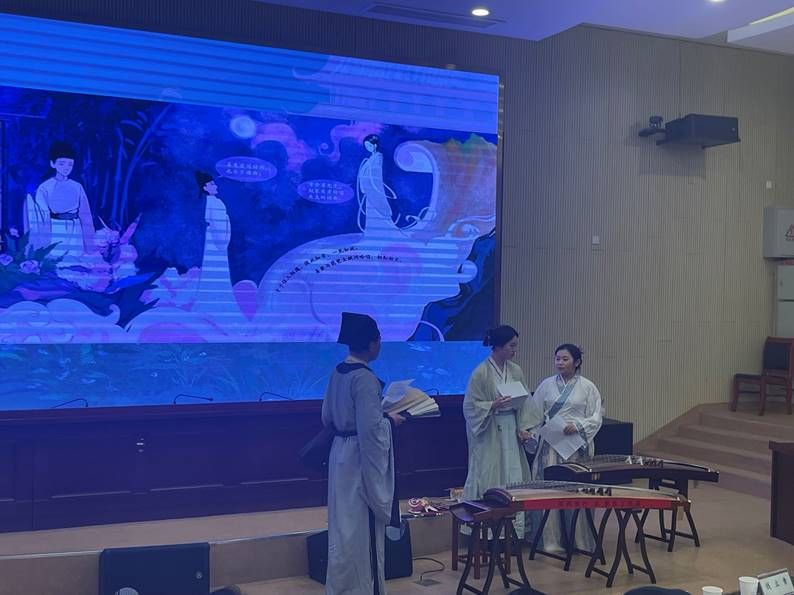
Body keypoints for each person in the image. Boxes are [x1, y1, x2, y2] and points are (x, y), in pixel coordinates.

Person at [322, 312, 404, 595]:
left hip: (340, 454)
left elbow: (326, 416)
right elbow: (371, 432)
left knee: (343, 528)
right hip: (359, 459)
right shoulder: (365, 378)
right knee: (361, 528)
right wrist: (389, 421)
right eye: (379, 339)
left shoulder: (338, 372)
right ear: (371, 344)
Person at [462, 324, 542, 538]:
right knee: (491, 475)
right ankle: (489, 532)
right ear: (498, 346)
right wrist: (492, 405)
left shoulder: (515, 370)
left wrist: (523, 427)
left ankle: (514, 532)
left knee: (513, 473)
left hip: (511, 429)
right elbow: (470, 406)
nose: (514, 350)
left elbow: (525, 403)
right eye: (511, 346)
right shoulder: (481, 372)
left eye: (515, 346)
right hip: (490, 430)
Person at [530, 343, 604, 553]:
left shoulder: (588, 387)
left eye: (565, 359)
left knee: (576, 490)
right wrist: (531, 434)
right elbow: (535, 414)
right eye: (557, 359)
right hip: (551, 445)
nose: (560, 363)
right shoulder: (546, 385)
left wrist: (579, 425)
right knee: (549, 489)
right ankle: (549, 540)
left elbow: (596, 415)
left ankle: (579, 540)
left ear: (577, 362)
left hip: (575, 445)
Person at [25, 141, 95, 257]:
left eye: (70, 164)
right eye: (62, 164)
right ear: (52, 164)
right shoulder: (45, 187)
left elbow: (85, 215)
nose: (66, 168)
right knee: (56, 259)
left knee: (75, 258)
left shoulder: (77, 186)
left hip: (75, 229)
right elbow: (42, 217)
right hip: (56, 228)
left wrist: (90, 245)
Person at [356, 134, 398, 238]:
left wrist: (371, 185)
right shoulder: (371, 158)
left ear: (375, 145)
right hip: (369, 189)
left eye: (369, 146)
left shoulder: (378, 157)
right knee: (371, 211)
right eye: (366, 146)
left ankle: (384, 233)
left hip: (374, 189)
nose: (368, 148)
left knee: (378, 208)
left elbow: (376, 175)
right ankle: (373, 233)